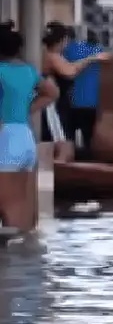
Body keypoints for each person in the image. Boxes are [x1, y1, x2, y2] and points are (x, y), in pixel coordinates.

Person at [0, 27, 58, 230]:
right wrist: (27, 109)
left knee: (6, 201)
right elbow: (52, 92)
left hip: (6, 137)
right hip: (26, 137)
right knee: (22, 205)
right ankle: (25, 246)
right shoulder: (29, 71)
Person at [62, 28, 108, 150]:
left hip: (72, 102)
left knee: (68, 139)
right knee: (89, 140)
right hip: (93, 103)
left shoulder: (69, 50)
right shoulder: (99, 51)